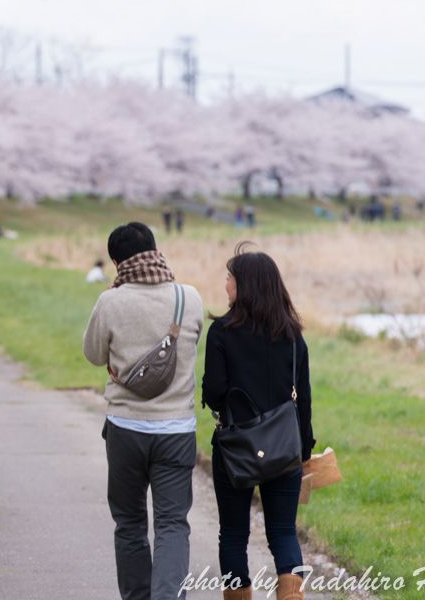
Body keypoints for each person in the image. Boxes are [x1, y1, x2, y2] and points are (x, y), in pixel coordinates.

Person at [82, 222, 204, 600]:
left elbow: (93, 355)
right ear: (156, 249)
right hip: (176, 431)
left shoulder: (110, 302)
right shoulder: (190, 298)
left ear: (118, 262)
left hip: (126, 429)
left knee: (130, 522)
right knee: (171, 524)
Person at [201, 245, 315, 600]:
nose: (225, 285)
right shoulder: (293, 335)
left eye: (230, 278)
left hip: (236, 449)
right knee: (283, 532)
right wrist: (305, 449)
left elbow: (216, 392)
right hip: (284, 449)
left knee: (233, 534)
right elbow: (304, 399)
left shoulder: (221, 332)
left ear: (245, 285)